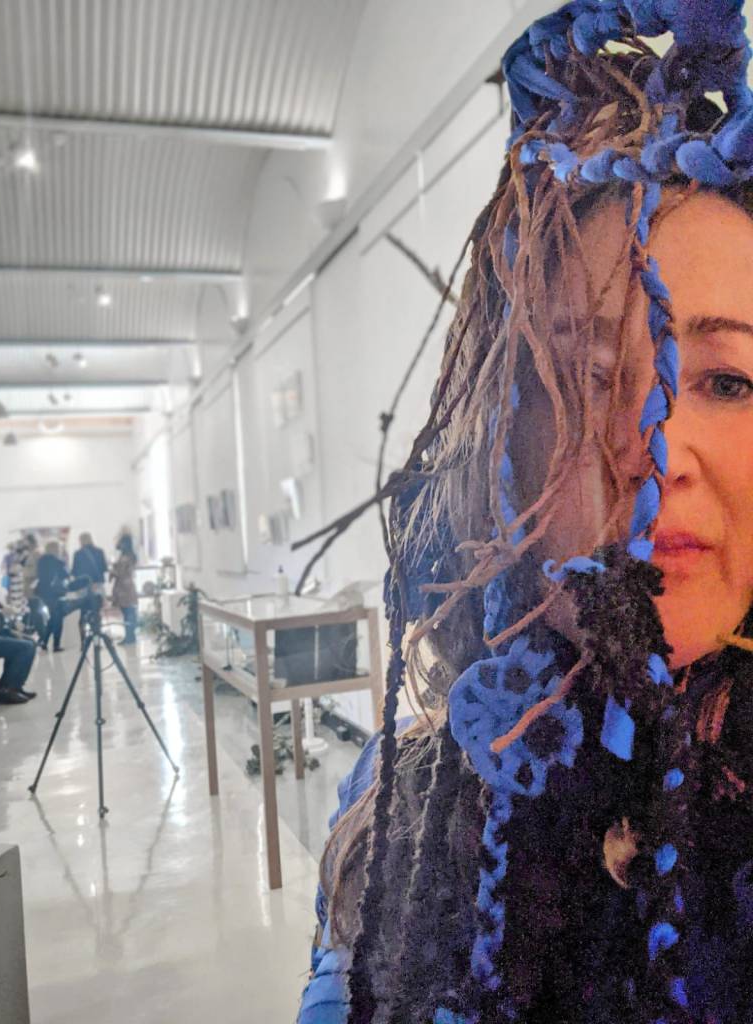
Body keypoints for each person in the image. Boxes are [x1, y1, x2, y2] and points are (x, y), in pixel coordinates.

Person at [298, 2, 753, 1022]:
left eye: (728, 383)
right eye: (585, 381)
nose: (654, 454)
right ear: (505, 442)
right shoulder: (400, 804)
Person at [0, 569, 36, 704]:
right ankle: (8, 689)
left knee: (29, 642)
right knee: (24, 647)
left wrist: (8, 627)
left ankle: (12, 686)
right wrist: (2, 616)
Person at [35, 540, 69, 652]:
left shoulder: (41, 560)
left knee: (53, 617)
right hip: (55, 593)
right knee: (58, 618)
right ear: (56, 549)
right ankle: (56, 645)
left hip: (43, 593)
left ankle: (44, 642)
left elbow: (39, 575)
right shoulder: (58, 561)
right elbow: (65, 575)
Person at [111, 532, 138, 645]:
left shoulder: (126, 557)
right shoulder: (129, 555)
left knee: (128, 612)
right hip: (126, 586)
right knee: (127, 611)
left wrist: (113, 570)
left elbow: (121, 572)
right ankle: (129, 635)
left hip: (124, 587)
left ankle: (130, 636)